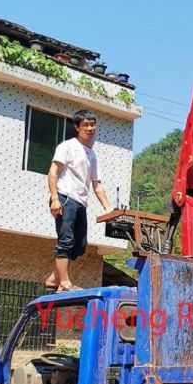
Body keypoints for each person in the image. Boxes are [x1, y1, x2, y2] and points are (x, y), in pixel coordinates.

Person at [46, 109, 112, 292]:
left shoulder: (91, 154)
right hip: (65, 197)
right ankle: (64, 283)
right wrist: (54, 199)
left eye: (92, 124)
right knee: (65, 240)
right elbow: (53, 172)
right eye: (85, 125)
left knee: (80, 245)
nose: (90, 128)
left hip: (81, 202)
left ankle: (54, 277)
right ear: (77, 127)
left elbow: (97, 184)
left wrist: (108, 208)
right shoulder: (67, 146)